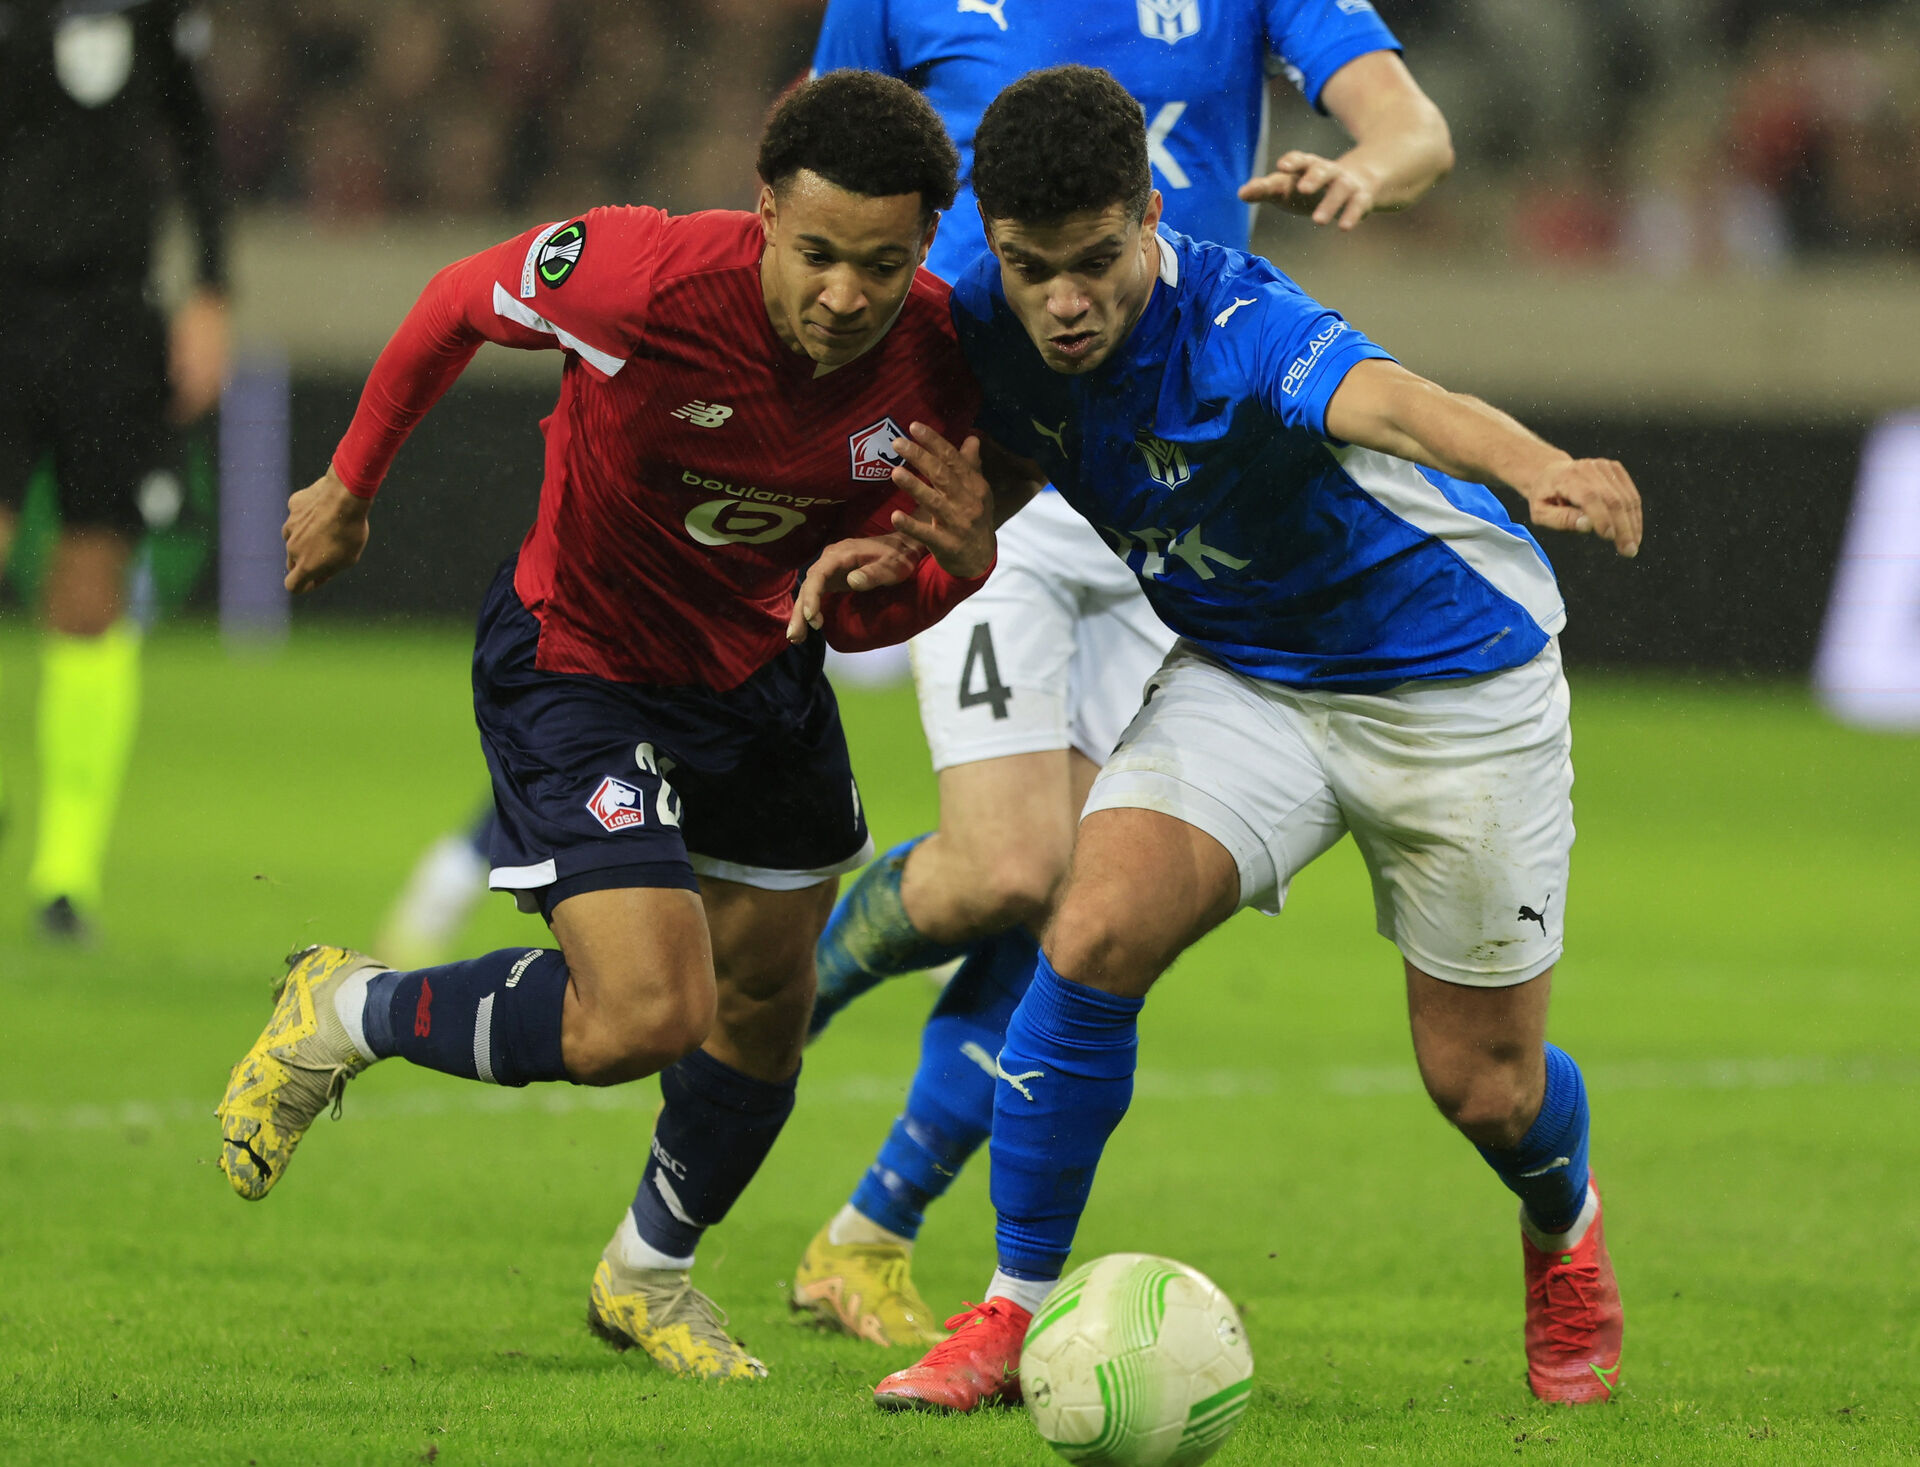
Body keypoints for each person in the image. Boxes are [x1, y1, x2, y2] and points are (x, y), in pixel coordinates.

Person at [214, 71, 1006, 1381]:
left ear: (928, 240)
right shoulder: (638, 277)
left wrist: (960, 568)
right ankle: (348, 1007)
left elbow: (869, 610)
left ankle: (646, 1274)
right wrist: (351, 486)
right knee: (644, 1013)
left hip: (761, 675)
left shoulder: (942, 357)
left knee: (770, 999)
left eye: (883, 262)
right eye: (817, 253)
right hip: (578, 659)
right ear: (765, 209)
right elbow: (453, 302)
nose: (846, 294)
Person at [870, 65, 1640, 1412]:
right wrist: (975, 521)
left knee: (1484, 1085)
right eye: (1034, 268)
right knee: (1091, 931)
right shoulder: (986, 317)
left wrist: (1538, 467)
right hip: (1251, 678)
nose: (1065, 300)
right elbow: (1043, 448)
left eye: (1095, 261)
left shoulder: (1237, 324)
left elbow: (1397, 401)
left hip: (1453, 683)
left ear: (1149, 216)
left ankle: (1562, 1223)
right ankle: (1009, 1309)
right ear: (994, 241)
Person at [792, 0, 1455, 1349]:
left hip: (1174, 482)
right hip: (997, 463)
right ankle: (769, 997)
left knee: (1080, 901)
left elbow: (1412, 125)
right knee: (1005, 866)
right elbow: (823, 174)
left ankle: (869, 1232)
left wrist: (1365, 171)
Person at [0, 0, 229, 939]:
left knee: (92, 592)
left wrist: (211, 289)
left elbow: (197, 140)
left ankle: (65, 875)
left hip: (113, 319)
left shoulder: (158, 12)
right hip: (5, 303)